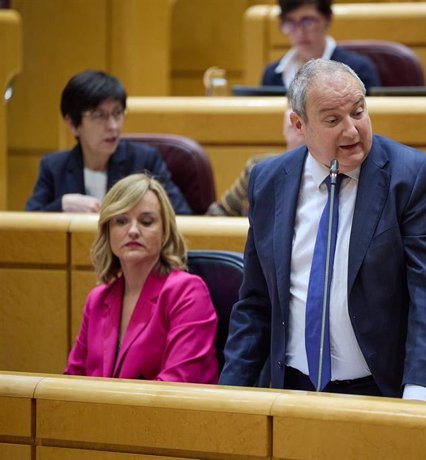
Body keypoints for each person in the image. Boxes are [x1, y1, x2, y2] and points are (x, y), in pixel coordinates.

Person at [219, 59, 426, 403]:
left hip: (391, 390)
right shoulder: (268, 181)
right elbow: (256, 302)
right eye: (333, 120)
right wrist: (228, 396)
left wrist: (419, 397)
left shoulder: (416, 177)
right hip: (297, 392)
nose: (351, 130)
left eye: (358, 112)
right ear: (299, 125)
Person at [65, 173, 217, 382]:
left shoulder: (187, 292)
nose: (133, 231)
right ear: (108, 231)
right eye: (121, 221)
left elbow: (178, 387)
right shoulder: (97, 300)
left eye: (146, 221)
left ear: (164, 232)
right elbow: (71, 383)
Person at [25, 70, 191, 214]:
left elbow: (182, 216)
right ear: (72, 124)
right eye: (99, 115)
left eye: (117, 113)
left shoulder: (144, 161)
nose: (113, 126)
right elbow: (28, 228)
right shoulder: (53, 167)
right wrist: (62, 205)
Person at [261, 0, 380, 91]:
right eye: (290, 22)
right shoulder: (272, 75)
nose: (300, 32)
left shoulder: (358, 69)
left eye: (308, 21)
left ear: (328, 18)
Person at [206, 108, 304, 216]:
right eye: (293, 127)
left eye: (302, 125)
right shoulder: (258, 169)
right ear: (284, 131)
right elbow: (218, 212)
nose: (300, 134)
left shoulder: (324, 177)